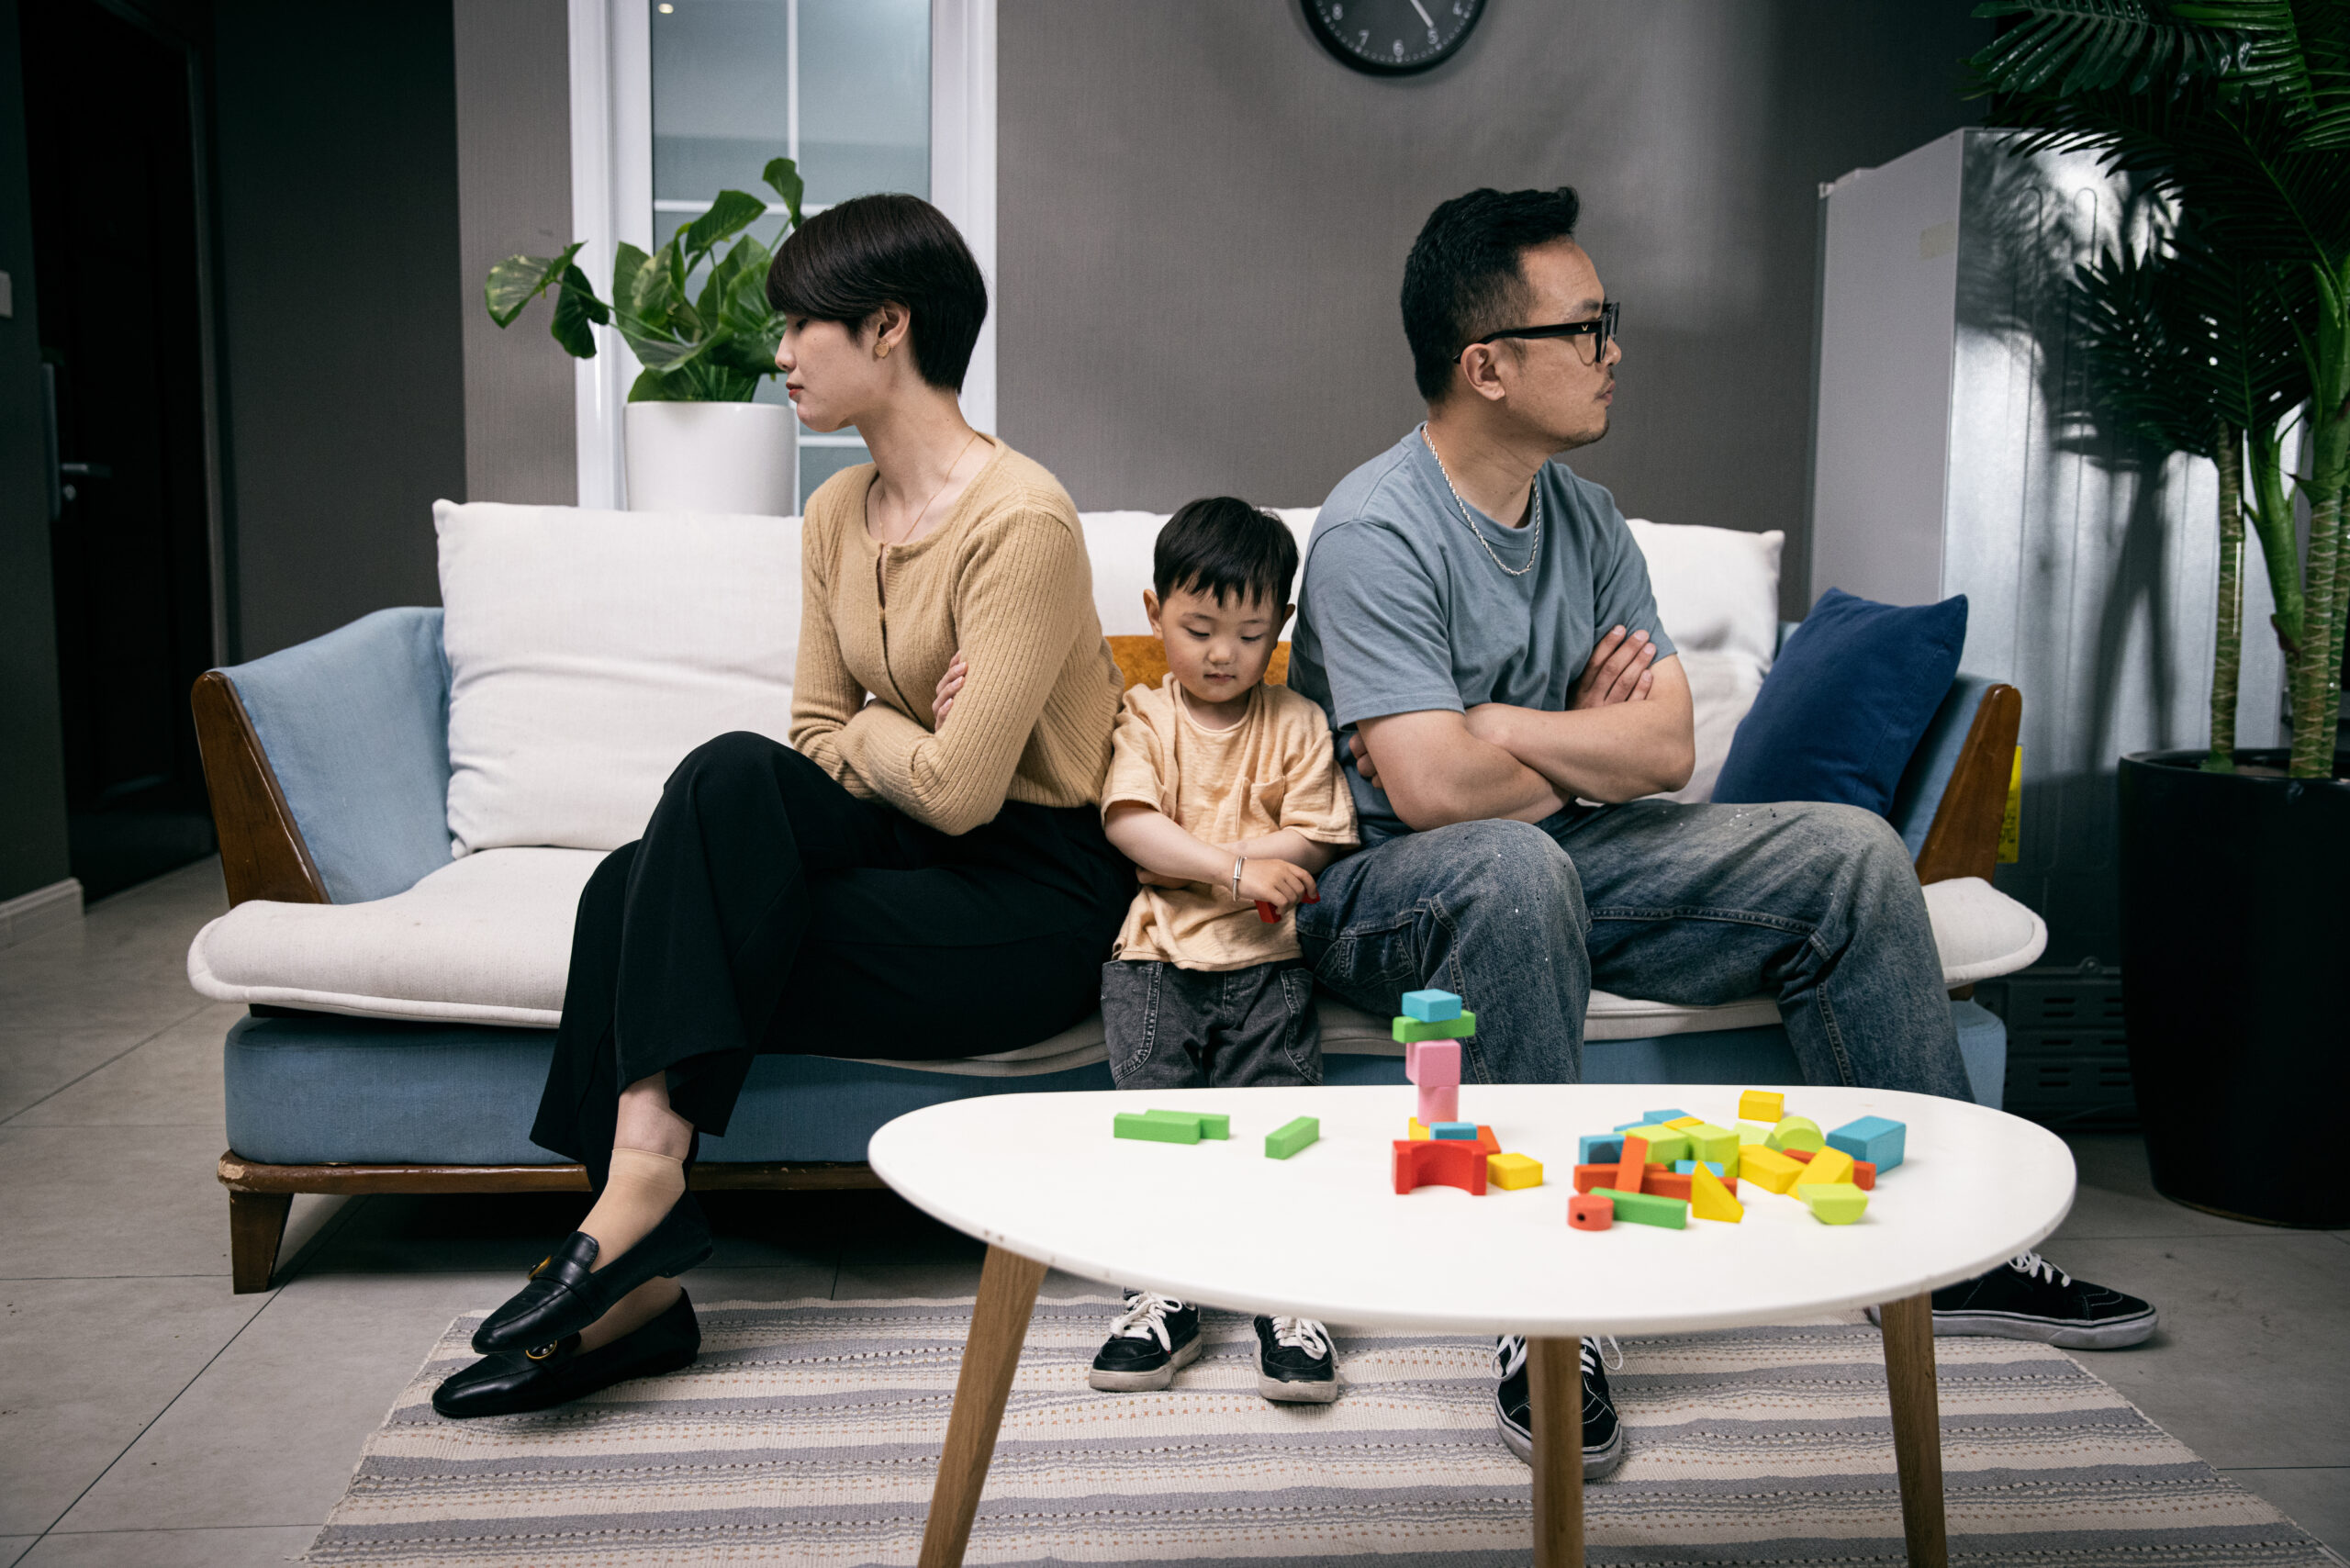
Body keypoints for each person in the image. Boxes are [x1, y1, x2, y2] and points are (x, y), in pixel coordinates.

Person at [1286, 185, 2157, 1478]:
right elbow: (1426, 797)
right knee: (1516, 863)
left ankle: (1946, 1255)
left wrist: (1507, 727)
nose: (1614, 350)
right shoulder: (1374, 529)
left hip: (1565, 856)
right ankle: (1544, 1314)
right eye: (1586, 327)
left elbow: (1664, 749)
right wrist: (1562, 749)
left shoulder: (1587, 517)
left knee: (1851, 853)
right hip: (1385, 895)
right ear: (1488, 366)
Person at [431, 194, 1133, 1418]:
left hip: (1027, 900)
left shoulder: (1023, 522)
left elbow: (967, 796)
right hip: (905, 844)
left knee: (650, 893)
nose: (780, 351)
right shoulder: (832, 514)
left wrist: (882, 729)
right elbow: (806, 739)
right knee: (702, 799)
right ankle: (643, 1215)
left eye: (802, 323)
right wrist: (902, 733)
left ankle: (637, 1255)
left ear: (888, 329)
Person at [1085, 498, 1360, 1405]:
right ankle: (1164, 1297)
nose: (1219, 654)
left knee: (1276, 1138)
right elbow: (1132, 824)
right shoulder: (1145, 714)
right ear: (1154, 609)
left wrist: (1228, 869)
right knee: (1161, 1138)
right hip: (1153, 965)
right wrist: (1237, 870)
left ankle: (1287, 1297)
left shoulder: (1296, 721)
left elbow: (1316, 840)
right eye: (1198, 628)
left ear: (1278, 627)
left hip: (1268, 971)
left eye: (1247, 633)